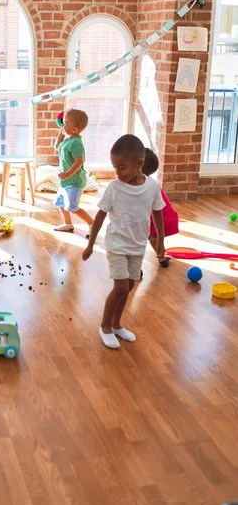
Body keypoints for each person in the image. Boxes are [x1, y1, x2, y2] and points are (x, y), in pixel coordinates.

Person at [82, 134, 165, 349]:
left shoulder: (152, 188)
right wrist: (91, 244)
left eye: (121, 167)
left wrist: (160, 245)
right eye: (115, 167)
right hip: (117, 245)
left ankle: (117, 325)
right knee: (120, 286)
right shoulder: (114, 188)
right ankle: (105, 326)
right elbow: (100, 215)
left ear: (139, 164)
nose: (117, 173)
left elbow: (158, 215)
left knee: (128, 286)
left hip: (137, 246)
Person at [53, 108, 94, 236]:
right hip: (66, 181)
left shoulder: (76, 143)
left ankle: (92, 224)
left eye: (65, 123)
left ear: (75, 129)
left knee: (72, 207)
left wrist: (67, 174)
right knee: (60, 203)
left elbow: (79, 161)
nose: (62, 125)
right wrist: (62, 132)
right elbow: (56, 146)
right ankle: (68, 224)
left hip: (74, 182)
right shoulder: (67, 139)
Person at [142, 148, 179, 268]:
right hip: (160, 218)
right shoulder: (148, 183)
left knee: (152, 237)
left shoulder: (147, 186)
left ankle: (160, 257)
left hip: (161, 219)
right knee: (152, 237)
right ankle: (162, 258)